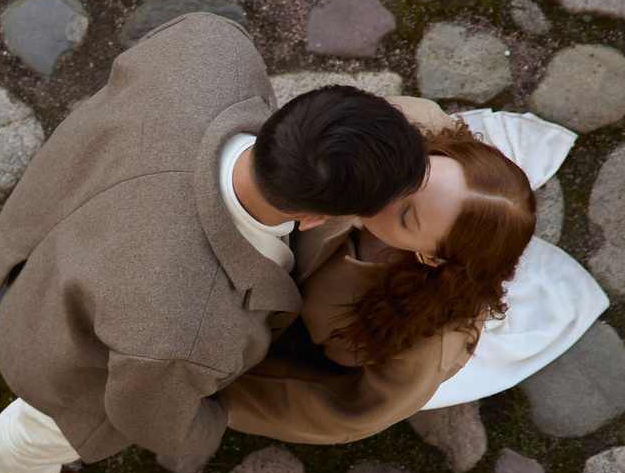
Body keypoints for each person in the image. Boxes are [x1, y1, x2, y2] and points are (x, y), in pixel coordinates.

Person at [0, 12, 430, 473]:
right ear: (315, 218)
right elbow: (149, 415)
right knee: (39, 428)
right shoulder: (185, 326)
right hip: (66, 357)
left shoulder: (215, 46)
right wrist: (212, 422)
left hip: (59, 201)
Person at [222, 110, 539, 444]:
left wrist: (221, 404)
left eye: (405, 216)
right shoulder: (395, 134)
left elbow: (352, 414)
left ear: (432, 258)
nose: (382, 189)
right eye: (417, 172)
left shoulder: (425, 343)